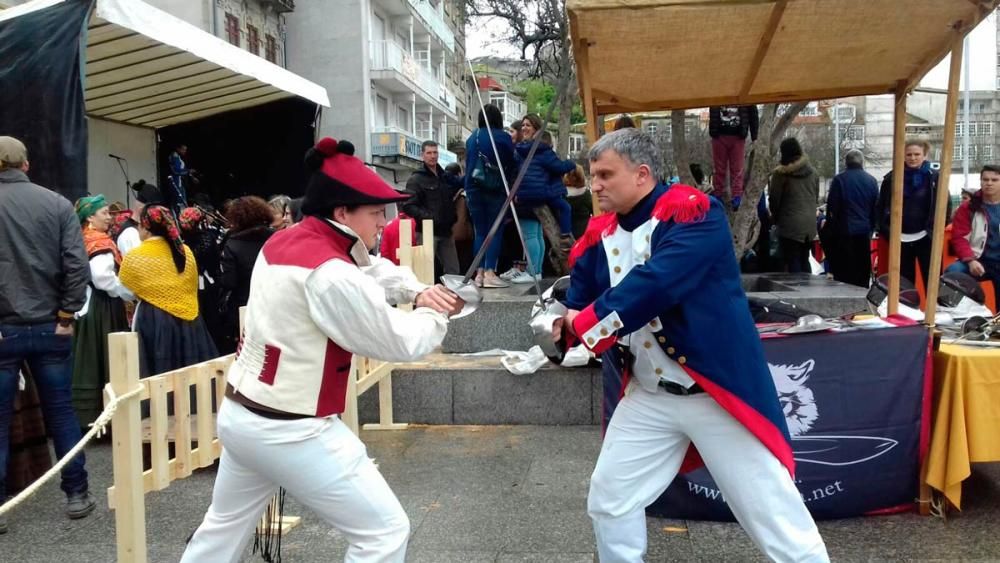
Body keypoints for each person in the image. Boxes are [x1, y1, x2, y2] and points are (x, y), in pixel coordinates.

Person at [548, 128, 827, 562]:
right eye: (593, 174)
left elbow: (656, 284)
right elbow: (577, 295)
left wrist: (580, 322)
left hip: (713, 391)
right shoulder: (599, 232)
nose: (595, 184)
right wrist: (556, 318)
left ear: (642, 174)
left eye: (605, 174)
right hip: (649, 395)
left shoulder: (694, 212)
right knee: (610, 498)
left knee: (774, 515)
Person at [180, 137, 463, 563]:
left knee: (220, 532)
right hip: (290, 427)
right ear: (342, 213)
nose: (384, 221)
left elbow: (370, 269)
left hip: (244, 413)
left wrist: (420, 291)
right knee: (384, 532)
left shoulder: (289, 239)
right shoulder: (329, 272)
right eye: (375, 212)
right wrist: (438, 315)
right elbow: (395, 339)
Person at [0, 137, 96, 531]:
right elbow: (77, 264)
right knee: (61, 412)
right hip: (50, 326)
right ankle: (76, 492)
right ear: (26, 164)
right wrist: (66, 313)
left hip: (3, 331)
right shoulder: (57, 204)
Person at [119, 205, 218, 376]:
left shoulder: (136, 256)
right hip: (190, 319)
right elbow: (191, 284)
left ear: (145, 227)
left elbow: (125, 290)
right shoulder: (184, 251)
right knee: (189, 372)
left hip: (153, 319)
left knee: (158, 373)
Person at [71, 195, 135, 425]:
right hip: (102, 305)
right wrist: (127, 292)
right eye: (105, 213)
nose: (109, 218)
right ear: (90, 216)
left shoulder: (80, 238)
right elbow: (102, 279)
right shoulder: (100, 242)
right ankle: (103, 415)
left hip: (84, 304)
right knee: (102, 355)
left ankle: (85, 414)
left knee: (86, 355)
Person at [875, 139, 947, 288]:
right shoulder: (892, 178)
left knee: (933, 283)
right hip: (900, 238)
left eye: (917, 154)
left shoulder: (934, 178)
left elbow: (945, 206)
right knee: (904, 285)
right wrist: (886, 229)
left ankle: (935, 311)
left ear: (924, 155)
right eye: (909, 154)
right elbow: (881, 206)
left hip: (926, 236)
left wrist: (936, 229)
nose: (912, 158)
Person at [465, 104, 518, 288]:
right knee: (495, 229)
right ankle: (489, 272)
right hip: (495, 189)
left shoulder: (472, 138)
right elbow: (512, 163)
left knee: (480, 231)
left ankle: (478, 273)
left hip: (472, 189)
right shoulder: (502, 137)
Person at [217, 196, 276, 353]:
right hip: (275, 301)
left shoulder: (233, 244)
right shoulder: (276, 237)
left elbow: (229, 282)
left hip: (246, 306)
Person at [515, 116, 577, 251]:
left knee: (535, 234)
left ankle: (536, 270)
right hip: (541, 193)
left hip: (524, 194)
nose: (524, 128)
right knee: (565, 208)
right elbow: (559, 167)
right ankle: (565, 236)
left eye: (528, 125)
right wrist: (571, 164)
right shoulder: (543, 150)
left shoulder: (519, 150)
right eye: (523, 125)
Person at [402, 141, 462, 275]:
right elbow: (408, 205)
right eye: (429, 153)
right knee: (425, 273)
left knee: (453, 271)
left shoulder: (445, 177)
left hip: (446, 231)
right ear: (422, 155)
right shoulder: (416, 179)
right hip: (426, 232)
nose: (432, 156)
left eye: (435, 152)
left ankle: (452, 296)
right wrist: (429, 218)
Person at [948, 164, 1000, 307]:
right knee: (953, 273)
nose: (989, 183)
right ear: (980, 181)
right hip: (977, 259)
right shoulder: (968, 207)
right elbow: (958, 237)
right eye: (985, 179)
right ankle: (953, 314)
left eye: (994, 180)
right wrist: (970, 260)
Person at [825, 149, 878, 287]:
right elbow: (875, 207)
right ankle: (862, 290)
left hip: (843, 230)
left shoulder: (839, 180)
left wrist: (832, 226)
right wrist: (871, 228)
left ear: (846, 162)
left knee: (844, 268)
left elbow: (832, 207)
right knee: (862, 266)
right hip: (864, 230)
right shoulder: (871, 181)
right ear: (862, 162)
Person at [769, 137, 820, 274]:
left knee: (792, 260)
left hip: (789, 225)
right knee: (805, 259)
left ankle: (798, 290)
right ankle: (807, 290)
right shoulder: (813, 172)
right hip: (809, 226)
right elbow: (815, 197)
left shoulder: (781, 174)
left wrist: (775, 218)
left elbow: (774, 200)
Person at [709, 105, 759, 207]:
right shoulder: (716, 90)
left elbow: (753, 113)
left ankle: (737, 196)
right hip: (719, 134)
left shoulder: (745, 93)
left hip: (738, 135)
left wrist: (755, 136)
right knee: (719, 168)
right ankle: (717, 195)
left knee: (737, 168)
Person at [168, 144, 193, 216]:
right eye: (183, 149)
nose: (184, 151)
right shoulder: (175, 156)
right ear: (178, 149)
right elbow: (176, 170)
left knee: (179, 202)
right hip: (176, 183)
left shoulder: (178, 157)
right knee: (180, 202)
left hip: (179, 183)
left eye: (185, 150)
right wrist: (188, 171)